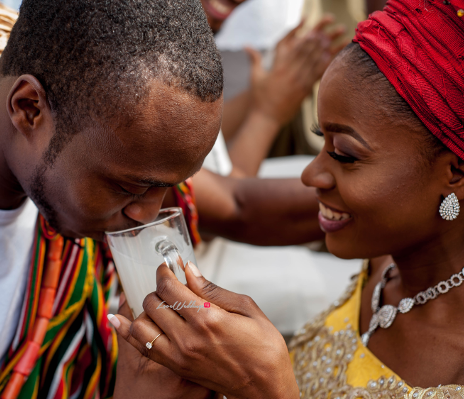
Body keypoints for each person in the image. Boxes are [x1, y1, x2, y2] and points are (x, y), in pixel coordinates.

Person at [0, 0, 224, 398]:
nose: (147, 216)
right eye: (130, 188)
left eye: (167, 187)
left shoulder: (70, 127)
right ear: (28, 109)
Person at [110, 0, 464, 397]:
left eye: (344, 154)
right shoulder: (385, 256)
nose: (309, 175)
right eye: (320, 142)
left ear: (455, 172)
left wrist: (266, 386)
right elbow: (236, 204)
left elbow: (238, 206)